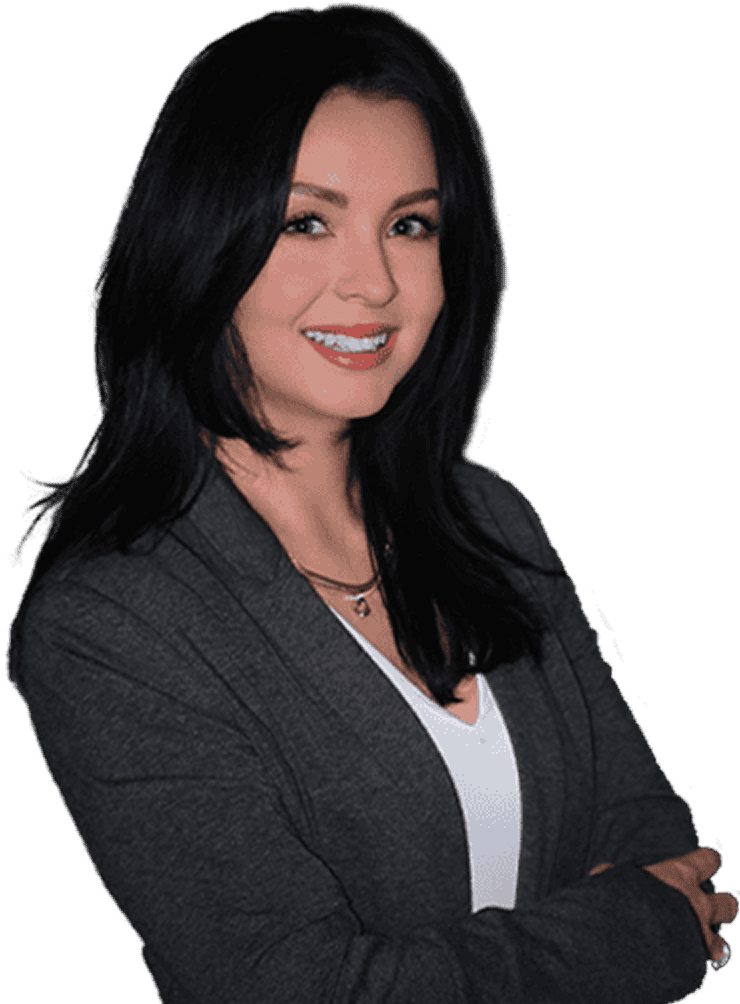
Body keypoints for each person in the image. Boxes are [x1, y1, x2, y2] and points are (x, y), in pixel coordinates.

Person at [5, 4, 736, 1002]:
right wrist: (635, 934)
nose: (374, 281)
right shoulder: (110, 625)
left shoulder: (489, 519)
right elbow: (297, 988)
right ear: (197, 243)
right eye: (306, 221)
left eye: (410, 224)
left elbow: (648, 826)